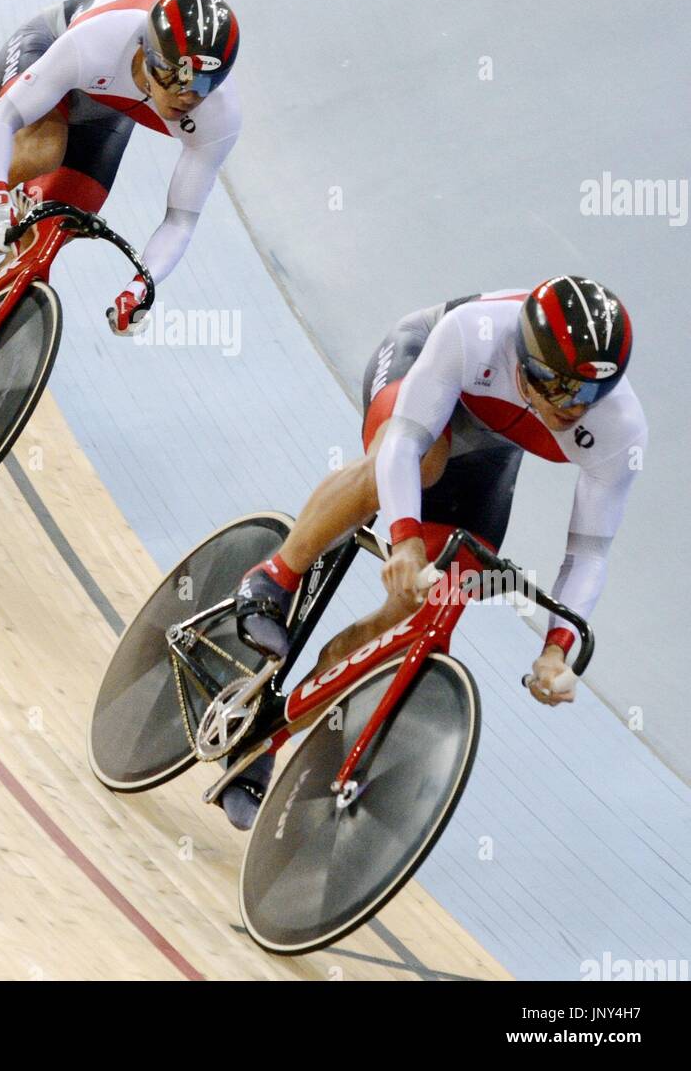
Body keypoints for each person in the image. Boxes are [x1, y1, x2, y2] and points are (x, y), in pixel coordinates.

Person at [221, 277, 646, 829]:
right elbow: (404, 441)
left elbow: (588, 554)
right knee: (420, 466)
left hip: (490, 452)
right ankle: (275, 576)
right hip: (417, 377)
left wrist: (557, 651)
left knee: (433, 603)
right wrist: (405, 540)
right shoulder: (476, 332)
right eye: (560, 389)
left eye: (589, 395)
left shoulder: (620, 429)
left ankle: (265, 732)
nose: (572, 410)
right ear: (525, 358)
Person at [0, 0, 242, 333]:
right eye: (175, 78)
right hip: (47, 50)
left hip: (105, 111)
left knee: (42, 249)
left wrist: (141, 286)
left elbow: (180, 221)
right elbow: (1, 120)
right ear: (147, 54)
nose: (187, 97)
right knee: (43, 149)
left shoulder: (219, 117)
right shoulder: (101, 40)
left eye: (204, 85)